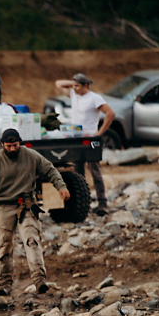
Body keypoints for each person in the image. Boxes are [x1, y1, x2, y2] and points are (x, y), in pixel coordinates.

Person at [0, 129, 70, 296]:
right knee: (4, 245)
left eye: (16, 145)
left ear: (20, 142)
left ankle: (39, 280)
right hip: (4, 206)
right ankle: (5, 284)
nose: (13, 149)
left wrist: (61, 187)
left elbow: (50, 170)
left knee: (32, 241)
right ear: (2, 144)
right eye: (9, 146)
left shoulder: (31, 156)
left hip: (27, 205)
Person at [55, 73, 116, 215]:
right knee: (78, 170)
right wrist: (73, 83)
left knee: (94, 169)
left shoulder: (94, 98)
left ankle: (102, 202)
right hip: (76, 137)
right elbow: (58, 83)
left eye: (78, 86)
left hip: (90, 138)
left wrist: (100, 132)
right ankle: (82, 202)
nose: (74, 88)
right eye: (73, 86)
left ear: (86, 86)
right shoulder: (74, 94)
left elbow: (110, 113)